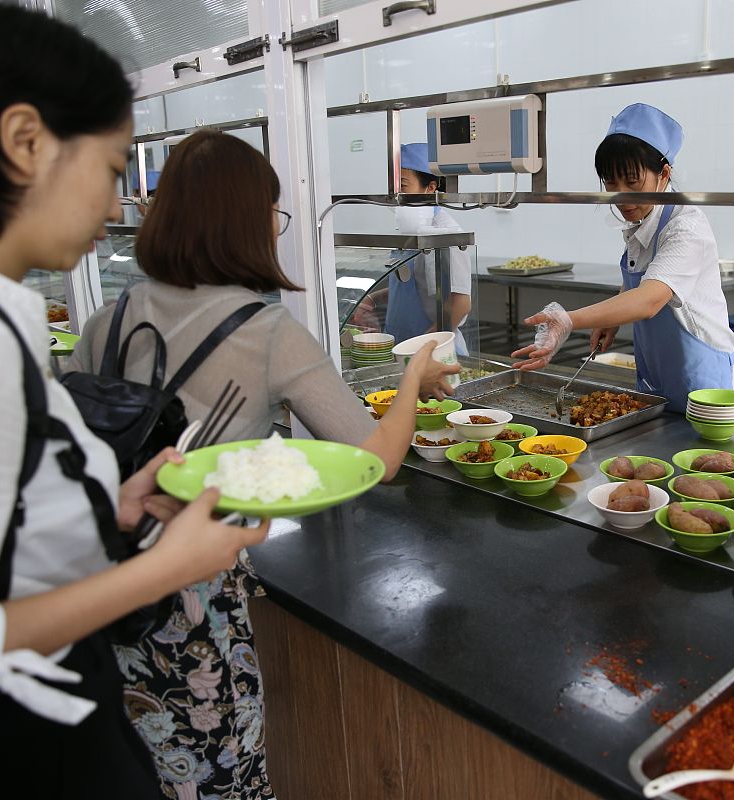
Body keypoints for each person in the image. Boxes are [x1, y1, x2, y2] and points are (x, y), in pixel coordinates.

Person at [0, 7, 267, 798]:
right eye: (110, 168)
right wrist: (162, 572)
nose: (113, 207)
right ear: (25, 139)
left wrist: (114, 505)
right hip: (7, 744)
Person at [66, 129, 459, 799]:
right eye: (271, 214)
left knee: (142, 761)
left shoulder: (110, 315)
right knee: (221, 772)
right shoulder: (265, 329)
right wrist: (415, 369)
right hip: (193, 591)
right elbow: (376, 459)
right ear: (245, 221)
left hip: (99, 579)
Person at [511, 104, 734, 410]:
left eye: (632, 181)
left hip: (710, 387)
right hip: (661, 381)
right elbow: (639, 283)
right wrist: (612, 318)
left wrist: (568, 320)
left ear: (663, 174)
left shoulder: (686, 227)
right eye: (611, 182)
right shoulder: (642, 221)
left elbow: (649, 300)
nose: (621, 195)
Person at [375, 142, 473, 355]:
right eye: (393, 188)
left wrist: (426, 349)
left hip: (435, 351)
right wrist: (371, 299)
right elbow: (414, 285)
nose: (396, 195)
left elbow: (460, 304)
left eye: (403, 186)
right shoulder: (409, 229)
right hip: (401, 345)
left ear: (430, 188)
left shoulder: (446, 234)